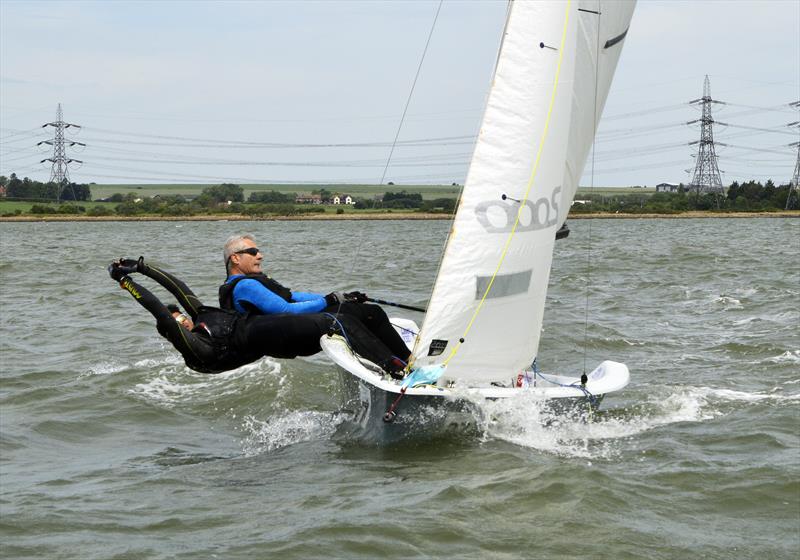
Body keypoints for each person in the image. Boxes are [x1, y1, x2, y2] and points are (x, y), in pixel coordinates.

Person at [108, 257, 407, 376]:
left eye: (180, 316)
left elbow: (178, 289)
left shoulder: (199, 316)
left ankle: (406, 359)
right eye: (176, 322)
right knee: (330, 322)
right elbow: (157, 308)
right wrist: (126, 283)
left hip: (255, 325)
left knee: (353, 313)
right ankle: (392, 367)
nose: (181, 319)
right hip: (252, 339)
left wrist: (141, 268)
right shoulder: (196, 348)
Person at [218, 234, 411, 365]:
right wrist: (329, 300)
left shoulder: (250, 282)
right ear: (235, 258)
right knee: (353, 318)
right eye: (253, 252)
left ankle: (398, 359)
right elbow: (286, 310)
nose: (260, 255)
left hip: (290, 329)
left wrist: (340, 298)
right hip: (284, 337)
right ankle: (397, 364)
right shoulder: (245, 286)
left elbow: (293, 297)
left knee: (366, 312)